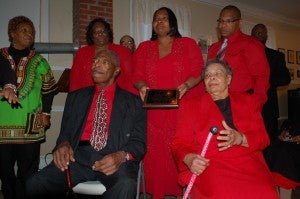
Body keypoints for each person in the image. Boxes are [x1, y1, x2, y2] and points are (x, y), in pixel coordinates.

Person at [26, 49, 147, 199]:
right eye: (95, 61)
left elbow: (139, 143)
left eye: (104, 62)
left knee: (125, 184)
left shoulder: (133, 102)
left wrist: (120, 156)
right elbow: (65, 133)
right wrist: (63, 144)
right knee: (36, 183)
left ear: (116, 70)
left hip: (114, 158)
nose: (97, 65)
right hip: (78, 158)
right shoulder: (76, 97)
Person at [172, 59, 280, 199]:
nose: (212, 77)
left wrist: (240, 138)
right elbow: (179, 143)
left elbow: (263, 138)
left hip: (247, 161)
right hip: (211, 164)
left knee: (267, 193)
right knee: (223, 194)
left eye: (218, 73)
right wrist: (189, 158)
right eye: (207, 75)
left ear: (228, 79)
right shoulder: (189, 105)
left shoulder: (248, 101)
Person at [132, 7, 204, 199]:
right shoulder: (143, 47)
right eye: (156, 19)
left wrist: (186, 86)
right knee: (154, 155)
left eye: (164, 18)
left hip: (181, 108)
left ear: (172, 22)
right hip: (153, 112)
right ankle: (155, 192)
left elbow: (198, 70)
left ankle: (184, 193)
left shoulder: (187, 44)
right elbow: (136, 74)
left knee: (179, 150)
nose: (160, 21)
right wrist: (141, 87)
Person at [0, 16, 57, 199]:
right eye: (24, 30)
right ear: (12, 33)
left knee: (28, 173)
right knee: (5, 172)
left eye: (32, 31)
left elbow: (48, 90)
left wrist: (47, 113)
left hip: (30, 125)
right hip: (2, 127)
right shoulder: (0, 57)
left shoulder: (39, 61)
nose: (30, 34)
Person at [207, 5, 270, 110]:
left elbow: (262, 78)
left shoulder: (251, 44)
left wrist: (255, 105)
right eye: (221, 21)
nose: (223, 25)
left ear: (239, 23)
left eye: (228, 21)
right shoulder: (214, 48)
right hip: (214, 103)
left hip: (241, 104)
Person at [69, 17, 135, 93]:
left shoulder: (122, 51)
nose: (100, 34)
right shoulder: (82, 52)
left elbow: (130, 77)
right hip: (87, 98)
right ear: (91, 36)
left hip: (118, 98)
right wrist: (74, 99)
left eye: (103, 31)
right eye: (96, 32)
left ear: (108, 33)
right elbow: (75, 79)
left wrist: (130, 101)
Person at [251, 23, 291, 142]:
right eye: (256, 32)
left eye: (262, 32)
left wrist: (264, 80)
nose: (260, 34)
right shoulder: (243, 55)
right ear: (251, 35)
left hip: (269, 108)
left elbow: (285, 78)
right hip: (248, 106)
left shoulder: (276, 56)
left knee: (269, 142)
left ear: (266, 36)